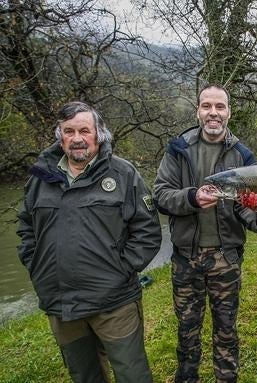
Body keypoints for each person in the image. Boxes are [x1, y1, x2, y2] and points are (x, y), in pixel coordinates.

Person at [17, 101, 162, 383]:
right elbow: (26, 228)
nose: (77, 138)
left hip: (114, 302)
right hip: (61, 303)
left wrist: (121, 270)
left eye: (85, 130)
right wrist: (36, 266)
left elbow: (147, 232)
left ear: (98, 134)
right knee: (84, 375)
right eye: (69, 131)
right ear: (60, 136)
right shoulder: (39, 178)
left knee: (133, 374)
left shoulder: (123, 174)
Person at [153, 84, 257, 383]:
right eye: (207, 106)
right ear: (198, 111)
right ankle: (187, 377)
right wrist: (191, 198)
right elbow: (161, 196)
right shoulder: (178, 148)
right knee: (187, 329)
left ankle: (226, 378)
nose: (213, 113)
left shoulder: (243, 155)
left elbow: (248, 211)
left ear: (228, 111)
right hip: (185, 258)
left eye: (220, 106)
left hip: (226, 259)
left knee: (226, 328)